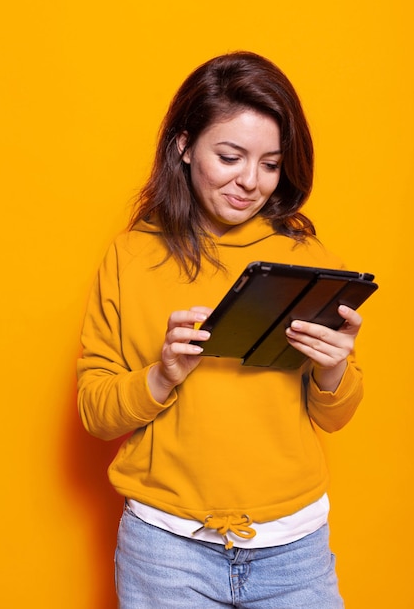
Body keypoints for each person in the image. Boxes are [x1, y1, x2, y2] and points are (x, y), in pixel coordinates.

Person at [77, 51, 364, 608]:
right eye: (230, 157)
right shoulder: (130, 257)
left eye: (271, 164)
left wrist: (334, 369)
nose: (250, 182)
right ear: (184, 146)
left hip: (294, 548)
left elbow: (336, 414)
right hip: (165, 549)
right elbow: (94, 411)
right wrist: (162, 375)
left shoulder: (303, 257)